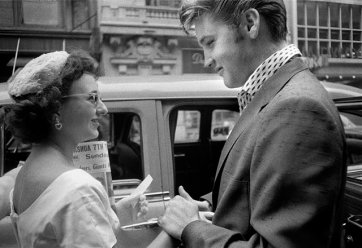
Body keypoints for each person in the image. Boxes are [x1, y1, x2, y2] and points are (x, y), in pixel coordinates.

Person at [158, 0, 346, 247]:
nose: (206, 60)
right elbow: (255, 190)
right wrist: (213, 206)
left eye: (210, 42)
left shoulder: (297, 107)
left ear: (250, 23)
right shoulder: (274, 94)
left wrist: (191, 228)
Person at [4, 50, 149, 247]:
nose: (103, 109)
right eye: (93, 98)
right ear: (56, 109)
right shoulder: (78, 188)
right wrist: (176, 230)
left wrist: (112, 213)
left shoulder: (25, 174)